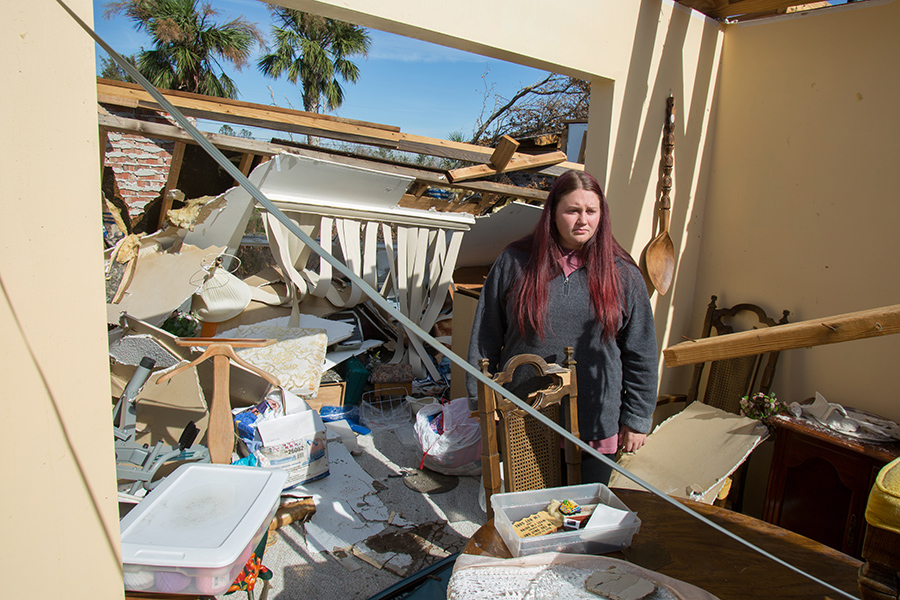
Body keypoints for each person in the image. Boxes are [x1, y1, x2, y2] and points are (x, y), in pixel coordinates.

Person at [466, 169, 658, 485]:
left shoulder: (623, 275)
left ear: (601, 216)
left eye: (591, 211)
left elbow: (642, 353)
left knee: (580, 518)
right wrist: (481, 403)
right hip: (523, 416)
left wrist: (637, 419)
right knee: (530, 515)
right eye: (572, 210)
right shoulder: (515, 263)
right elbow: (484, 338)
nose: (582, 220)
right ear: (553, 213)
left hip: (594, 422)